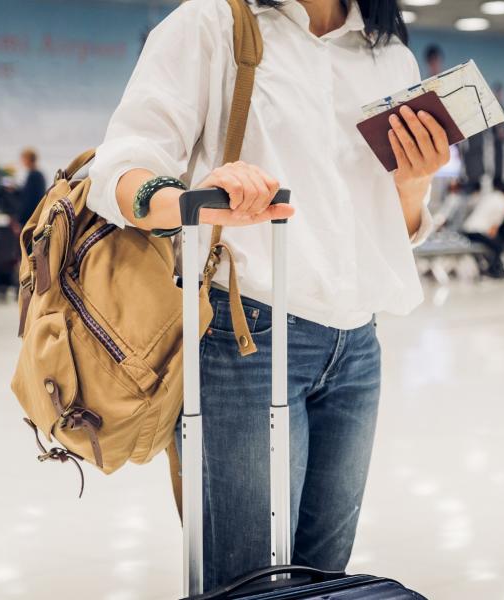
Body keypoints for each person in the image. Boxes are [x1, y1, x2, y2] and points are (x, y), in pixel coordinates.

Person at [87, 0, 448, 589]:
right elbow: (118, 169)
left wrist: (415, 182)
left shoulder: (389, 54)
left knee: (324, 578)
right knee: (245, 580)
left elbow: (393, 226)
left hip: (357, 345)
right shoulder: (212, 23)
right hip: (242, 337)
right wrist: (192, 198)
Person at [17, 148, 47, 226]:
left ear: (28, 159)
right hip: (35, 215)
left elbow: (29, 200)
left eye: (23, 159)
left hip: (31, 217)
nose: (22, 161)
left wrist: (20, 219)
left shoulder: (34, 175)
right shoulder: (37, 174)